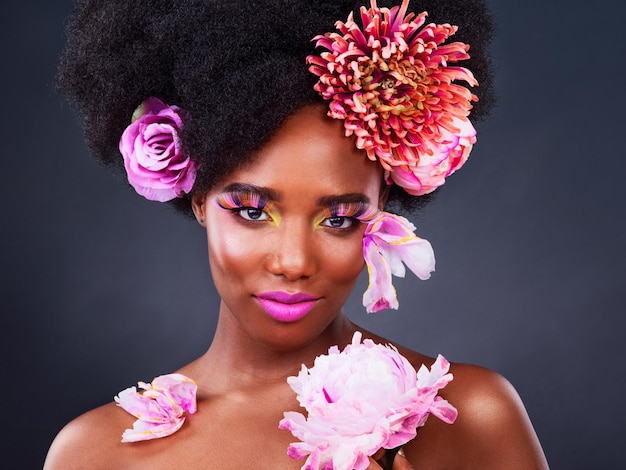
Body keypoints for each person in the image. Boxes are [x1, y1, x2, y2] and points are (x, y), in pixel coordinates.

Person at [45, 0, 549, 468]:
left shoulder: (468, 416)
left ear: (384, 212)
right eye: (251, 211)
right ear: (199, 198)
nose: (293, 262)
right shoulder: (94, 453)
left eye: (340, 220)